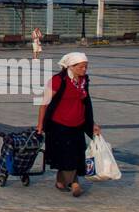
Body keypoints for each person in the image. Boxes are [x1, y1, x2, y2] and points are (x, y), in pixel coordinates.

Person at [35, 51, 100, 197]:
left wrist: (92, 123)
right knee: (68, 155)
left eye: (86, 67)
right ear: (71, 66)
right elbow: (44, 104)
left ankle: (60, 181)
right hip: (59, 124)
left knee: (76, 154)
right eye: (81, 67)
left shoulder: (84, 81)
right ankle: (75, 183)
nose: (84, 70)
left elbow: (85, 103)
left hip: (78, 124)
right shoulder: (58, 80)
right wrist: (40, 125)